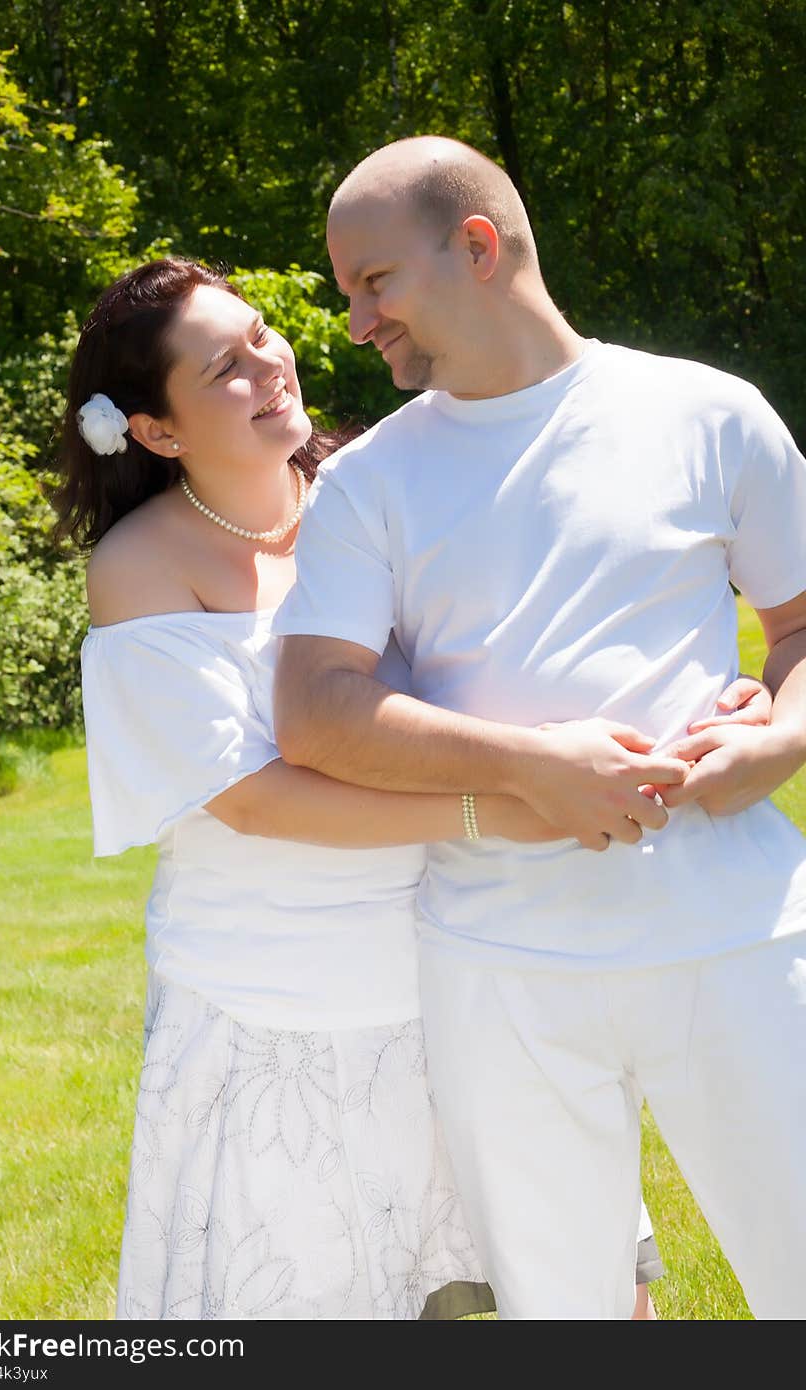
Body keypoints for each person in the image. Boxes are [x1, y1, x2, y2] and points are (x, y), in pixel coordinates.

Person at [53, 257, 764, 1319]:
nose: (268, 367)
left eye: (260, 336)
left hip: (475, 954)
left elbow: (530, 648)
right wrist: (511, 798)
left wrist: (712, 705)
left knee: (594, 1298)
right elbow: (254, 799)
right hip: (284, 1006)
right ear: (155, 431)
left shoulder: (377, 484)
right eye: (224, 368)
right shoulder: (143, 565)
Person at [272, 136, 806, 1320]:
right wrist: (526, 766)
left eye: (374, 282)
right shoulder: (369, 482)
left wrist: (780, 735)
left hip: (740, 933)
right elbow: (312, 708)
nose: (356, 323)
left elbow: (801, 623)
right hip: (498, 968)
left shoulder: (709, 414)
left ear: (475, 247)